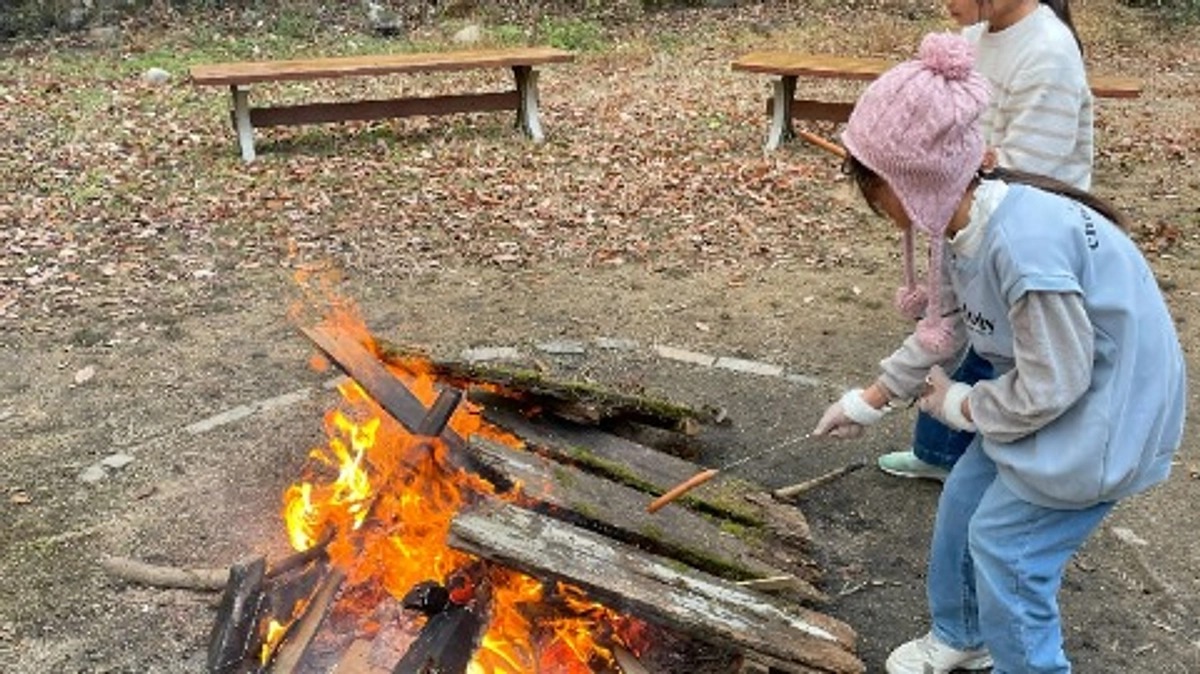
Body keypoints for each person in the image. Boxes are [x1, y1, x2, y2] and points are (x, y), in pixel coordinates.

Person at [812, 33, 1187, 674]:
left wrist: (961, 403)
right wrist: (868, 401)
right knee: (964, 503)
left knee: (1006, 550)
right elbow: (947, 326)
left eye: (871, 183)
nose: (869, 201)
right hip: (1051, 396)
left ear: (907, 181)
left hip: (1104, 416)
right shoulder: (959, 222)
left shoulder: (1024, 248)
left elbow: (1054, 383)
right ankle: (964, 636)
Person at [879, 0, 1094, 482]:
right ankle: (938, 456)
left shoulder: (1049, 51)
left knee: (998, 357)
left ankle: (1008, 470)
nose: (944, 3)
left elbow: (1034, 174)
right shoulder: (974, 41)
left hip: (1023, 240)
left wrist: (959, 169)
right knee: (957, 338)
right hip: (969, 223)